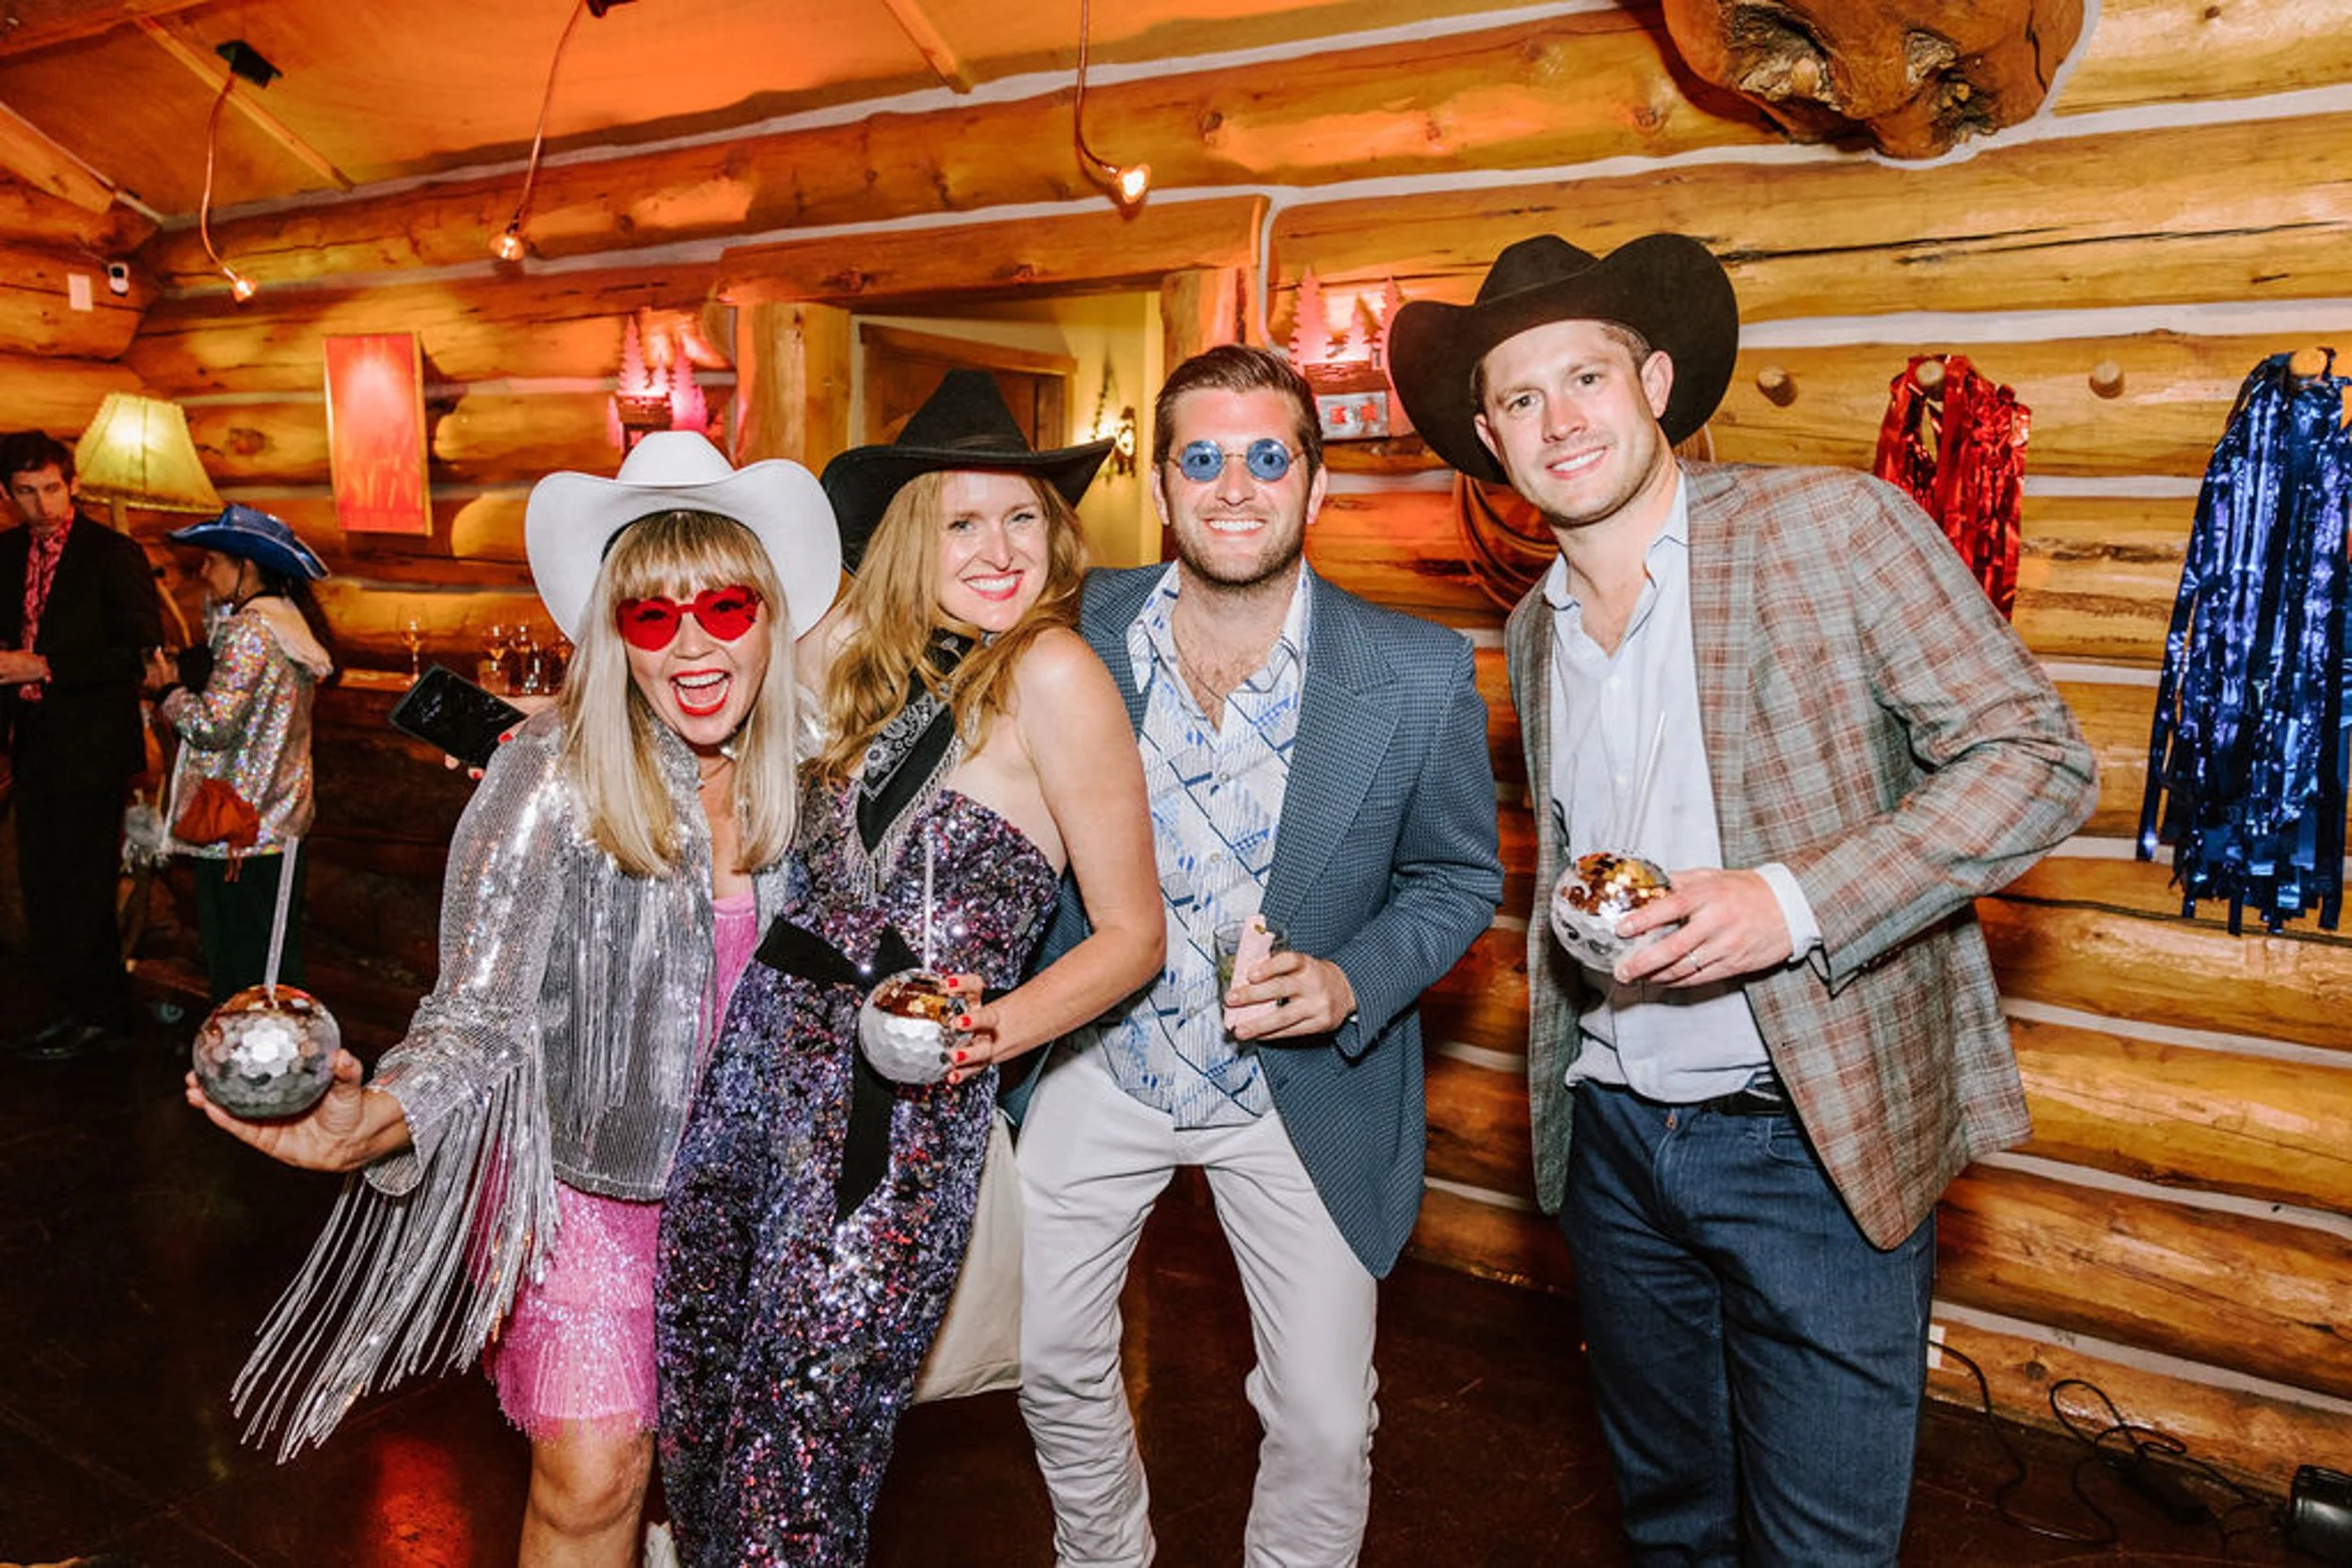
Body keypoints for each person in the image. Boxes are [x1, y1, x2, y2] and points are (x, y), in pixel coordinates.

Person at [1386, 232, 2100, 1565]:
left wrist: (1797, 899)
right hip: (1613, 1141)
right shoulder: (1533, 627)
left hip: (1805, 1141)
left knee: (1822, 1547)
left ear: (1655, 380)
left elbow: (2040, 759)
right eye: (1521, 398)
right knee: (1673, 1526)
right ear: (1488, 435)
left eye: (1585, 376)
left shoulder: (1832, 528)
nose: (1560, 420)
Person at [190, 433, 840, 1568]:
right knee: (594, 1480)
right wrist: (370, 1121)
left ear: (769, 620)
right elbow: (477, 1010)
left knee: (721, 1495)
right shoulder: (550, 770)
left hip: (765, 1204)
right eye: (650, 616)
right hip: (593, 1191)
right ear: (615, 638)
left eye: (725, 607)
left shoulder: (827, 783)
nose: (692, 641)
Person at [655, 370, 1164, 1565]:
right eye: (960, 520)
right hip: (753, 1066)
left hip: (893, 1107)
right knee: (697, 1403)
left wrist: (978, 1038)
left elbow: (1133, 935)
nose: (999, 549)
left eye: (1023, 517)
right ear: (903, 540)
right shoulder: (853, 656)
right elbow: (694, 690)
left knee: (802, 1445)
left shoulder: (1053, 676)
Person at [1012, 344, 1503, 1567]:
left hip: (1298, 1093)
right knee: (1048, 1356)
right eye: (1205, 458)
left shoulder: (1418, 669)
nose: (1238, 484)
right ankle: (1104, 1552)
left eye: (1269, 456)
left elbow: (1458, 878)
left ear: (1316, 486)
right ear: (1166, 491)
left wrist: (1351, 980)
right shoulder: (1072, 631)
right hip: (1100, 1059)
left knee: (1328, 1421)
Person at [0, 429, 165, 1058]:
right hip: (31, 739)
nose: (42, 505)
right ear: (7, 494)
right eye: (26, 492)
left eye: (51, 489)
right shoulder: (6, 554)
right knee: (40, 883)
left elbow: (135, 652)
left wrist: (43, 665)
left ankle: (102, 1011)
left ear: (72, 485)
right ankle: (65, 1004)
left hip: (92, 742)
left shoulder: (110, 553)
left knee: (85, 882)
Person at [144, 505, 334, 1005]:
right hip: (273, 820)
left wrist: (168, 693)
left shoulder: (250, 630)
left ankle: (248, 1072)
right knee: (271, 962)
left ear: (245, 567)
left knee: (242, 969)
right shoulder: (286, 623)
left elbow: (212, 726)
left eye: (212, 561)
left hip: (241, 829)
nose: (204, 571)